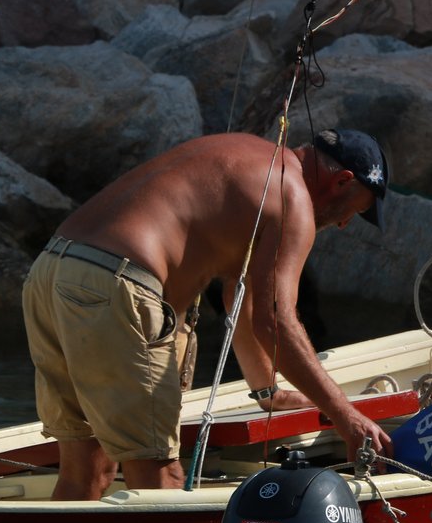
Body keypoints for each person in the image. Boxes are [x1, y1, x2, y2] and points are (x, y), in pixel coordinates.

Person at [22, 129, 396, 500]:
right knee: (159, 477)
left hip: (52, 270)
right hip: (117, 286)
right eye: (354, 210)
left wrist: (268, 392)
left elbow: (243, 297)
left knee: (85, 471)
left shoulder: (245, 152)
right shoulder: (292, 195)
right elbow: (276, 321)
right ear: (342, 181)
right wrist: (346, 416)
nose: (344, 223)